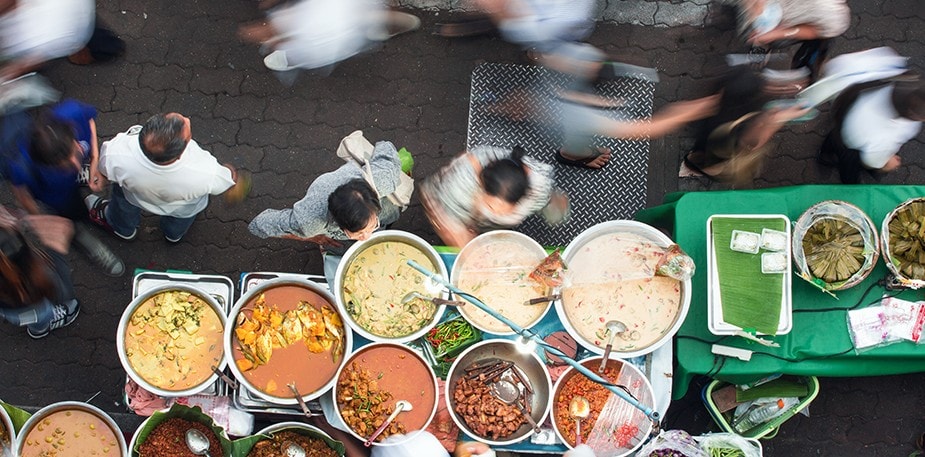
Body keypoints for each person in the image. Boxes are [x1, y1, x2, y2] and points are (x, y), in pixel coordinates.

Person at [248, 140, 404, 284]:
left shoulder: (384, 178)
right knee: (337, 246)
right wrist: (310, 237)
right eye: (357, 234)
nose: (367, 238)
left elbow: (386, 145)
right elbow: (261, 224)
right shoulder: (309, 221)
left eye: (371, 226)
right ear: (339, 225)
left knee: (390, 215)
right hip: (320, 215)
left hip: (379, 196)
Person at [5, 101, 123, 275]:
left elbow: (89, 121)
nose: (76, 165)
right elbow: (23, 197)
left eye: (75, 153)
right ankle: (82, 238)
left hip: (69, 189)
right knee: (71, 218)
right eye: (64, 166)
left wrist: (94, 159)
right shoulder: (20, 166)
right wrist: (46, 223)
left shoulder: (71, 113)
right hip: (57, 198)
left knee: (79, 207)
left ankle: (88, 213)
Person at [87, 112, 242, 243]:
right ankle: (173, 235)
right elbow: (226, 181)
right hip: (181, 208)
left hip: (134, 196)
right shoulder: (207, 171)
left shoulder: (117, 153)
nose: (186, 119)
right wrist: (230, 171)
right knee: (180, 222)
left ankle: (123, 229)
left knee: (121, 201)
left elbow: (104, 170)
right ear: (180, 153)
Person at [682, 66, 811, 186]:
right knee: (710, 163)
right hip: (717, 155)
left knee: (702, 156)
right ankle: (694, 167)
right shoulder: (734, 134)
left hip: (709, 145)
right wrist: (778, 118)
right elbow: (753, 142)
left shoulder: (720, 108)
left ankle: (692, 165)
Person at [420, 145, 566, 248]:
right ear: (482, 189)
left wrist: (556, 210)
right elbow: (437, 209)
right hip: (461, 211)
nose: (498, 213)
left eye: (507, 209)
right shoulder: (459, 186)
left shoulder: (538, 186)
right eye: (491, 206)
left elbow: (554, 204)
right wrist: (460, 238)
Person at [237, 0, 420, 74]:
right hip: (342, 11)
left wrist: (276, 42)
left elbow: (304, 43)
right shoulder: (291, 17)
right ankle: (397, 25)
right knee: (373, 11)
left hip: (333, 34)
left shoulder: (297, 27)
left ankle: (388, 27)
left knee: (300, 51)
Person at [819, 75, 924, 184]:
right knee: (849, 171)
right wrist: (885, 164)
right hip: (853, 147)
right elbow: (871, 161)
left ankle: (825, 153)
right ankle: (849, 186)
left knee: (833, 140)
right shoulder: (891, 132)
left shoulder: (894, 84)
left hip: (845, 122)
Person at [0, 205, 79, 339]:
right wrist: (56, 251)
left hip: (12, 295)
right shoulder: (12, 254)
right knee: (39, 314)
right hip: (19, 301)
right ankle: (40, 328)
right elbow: (63, 292)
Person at [735, 0, 850, 78]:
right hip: (772, 12)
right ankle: (759, 52)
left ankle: (762, 53)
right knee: (759, 37)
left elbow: (810, 31)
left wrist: (776, 34)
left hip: (794, 22)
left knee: (767, 40)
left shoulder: (834, 16)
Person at [0, 0, 95, 80]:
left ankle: (90, 52)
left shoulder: (44, 40)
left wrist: (7, 75)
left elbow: (26, 65)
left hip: (73, 22)